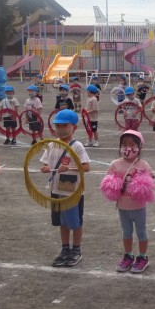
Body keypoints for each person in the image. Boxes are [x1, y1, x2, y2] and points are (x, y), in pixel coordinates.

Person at [40, 109, 91, 267]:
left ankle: (76, 250)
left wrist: (69, 168)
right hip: (56, 190)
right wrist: (45, 168)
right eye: (58, 126)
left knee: (75, 221)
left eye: (64, 125)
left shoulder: (77, 146)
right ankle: (65, 249)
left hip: (72, 192)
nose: (60, 129)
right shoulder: (51, 144)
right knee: (62, 222)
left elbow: (86, 167)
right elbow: (45, 163)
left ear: (74, 127)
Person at [107, 130, 155, 274]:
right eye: (124, 144)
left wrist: (145, 181)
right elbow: (108, 181)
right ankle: (128, 255)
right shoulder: (115, 164)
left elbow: (151, 182)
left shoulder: (143, 165)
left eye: (132, 145)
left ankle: (143, 257)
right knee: (126, 232)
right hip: (123, 206)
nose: (128, 148)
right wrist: (113, 184)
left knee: (141, 232)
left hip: (138, 206)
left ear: (139, 147)